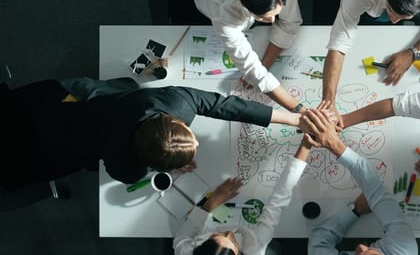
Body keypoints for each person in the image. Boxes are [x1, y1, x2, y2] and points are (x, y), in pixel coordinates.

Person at [0, 77, 307, 191]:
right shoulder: (125, 167)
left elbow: (225, 106)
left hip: (55, 107)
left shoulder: (171, 101)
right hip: (51, 149)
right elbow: (225, 107)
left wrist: (294, 120)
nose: (198, 140)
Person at [302, 107, 419, 255]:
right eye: (369, 251)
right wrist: (335, 144)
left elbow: (318, 241)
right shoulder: (405, 251)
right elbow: (375, 190)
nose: (360, 246)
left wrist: (355, 210)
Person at [172, 133, 313, 255]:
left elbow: (186, 230)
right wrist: (306, 144)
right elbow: (278, 201)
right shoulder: (254, 250)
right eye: (232, 242)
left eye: (217, 234)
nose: (229, 233)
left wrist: (214, 200)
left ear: (198, 247)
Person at [193, 0, 305, 113]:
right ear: (245, 8)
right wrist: (300, 110)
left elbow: (290, 22)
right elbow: (253, 70)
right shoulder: (223, 13)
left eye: (276, 13)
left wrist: (265, 64)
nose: (272, 21)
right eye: (264, 18)